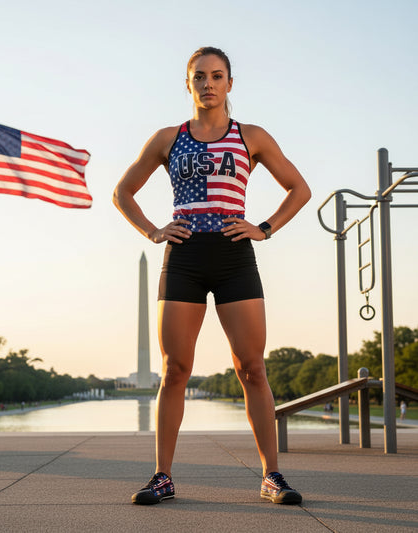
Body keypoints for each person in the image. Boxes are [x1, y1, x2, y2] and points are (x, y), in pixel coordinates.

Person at [113, 46, 311, 506]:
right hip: (182, 255)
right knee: (175, 370)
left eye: (217, 76)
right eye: (199, 76)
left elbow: (299, 189)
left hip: (233, 255)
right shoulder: (167, 138)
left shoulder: (251, 136)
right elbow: (122, 191)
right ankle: (162, 476)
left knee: (251, 368)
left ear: (229, 84)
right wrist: (153, 230)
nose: (208, 84)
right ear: (189, 84)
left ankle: (271, 476)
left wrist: (263, 229)